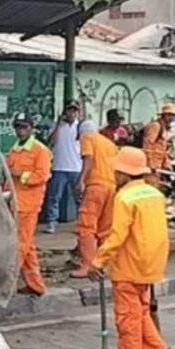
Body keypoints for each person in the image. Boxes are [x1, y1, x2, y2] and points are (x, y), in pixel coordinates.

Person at [90, 147, 175, 349]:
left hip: (129, 265)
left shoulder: (125, 198)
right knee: (140, 312)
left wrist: (99, 260)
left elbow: (118, 235)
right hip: (151, 264)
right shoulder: (153, 194)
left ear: (123, 173)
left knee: (127, 318)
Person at [6, 112, 52, 295]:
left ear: (31, 128)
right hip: (15, 202)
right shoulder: (14, 149)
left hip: (28, 204)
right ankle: (36, 285)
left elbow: (43, 176)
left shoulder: (40, 150)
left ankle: (6, 282)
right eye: (18, 127)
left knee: (21, 245)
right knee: (28, 245)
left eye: (24, 127)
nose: (21, 130)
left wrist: (20, 175)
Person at [73, 120, 118, 279]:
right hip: (111, 186)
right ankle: (104, 265)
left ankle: (88, 266)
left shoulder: (88, 137)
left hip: (96, 186)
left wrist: (81, 180)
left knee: (86, 226)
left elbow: (89, 158)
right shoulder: (109, 143)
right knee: (104, 229)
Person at [44, 100, 83, 233]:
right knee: (54, 196)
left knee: (79, 197)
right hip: (59, 166)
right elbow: (52, 141)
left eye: (74, 111)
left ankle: (82, 223)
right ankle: (51, 222)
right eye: (69, 110)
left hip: (76, 167)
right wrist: (59, 124)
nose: (71, 114)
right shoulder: (57, 126)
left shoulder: (80, 127)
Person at [142, 102, 175, 190]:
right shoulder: (156, 126)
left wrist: (166, 162)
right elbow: (147, 145)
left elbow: (162, 147)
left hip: (158, 164)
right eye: (169, 115)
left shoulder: (164, 128)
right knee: (150, 187)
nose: (171, 118)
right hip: (151, 165)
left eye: (173, 115)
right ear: (163, 115)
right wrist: (150, 163)